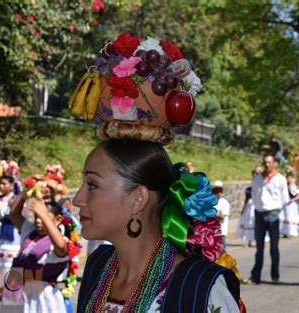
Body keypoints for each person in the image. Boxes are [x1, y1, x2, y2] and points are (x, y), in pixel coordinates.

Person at [74, 33, 242, 313]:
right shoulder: (98, 269)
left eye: (92, 185)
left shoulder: (198, 288)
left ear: (138, 198)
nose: (77, 199)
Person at [0, 173, 82, 313]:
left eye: (43, 218)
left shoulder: (59, 240)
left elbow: (62, 248)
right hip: (17, 285)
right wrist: (26, 192)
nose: (38, 221)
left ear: (58, 219)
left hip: (41, 295)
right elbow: (14, 214)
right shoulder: (30, 232)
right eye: (36, 217)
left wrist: (44, 215)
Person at [245, 154, 289, 284]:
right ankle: (256, 275)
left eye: (269, 162)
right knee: (259, 248)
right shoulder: (258, 178)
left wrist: (275, 209)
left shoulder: (280, 179)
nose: (267, 165)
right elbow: (253, 194)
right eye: (265, 162)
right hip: (259, 213)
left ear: (274, 163)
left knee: (274, 247)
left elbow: (285, 198)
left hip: (273, 213)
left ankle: (275, 275)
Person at [213, 180, 231, 249]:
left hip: (221, 230)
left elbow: (221, 217)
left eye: (219, 191)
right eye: (216, 191)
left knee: (221, 250)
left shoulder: (224, 203)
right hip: (213, 230)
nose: (218, 193)